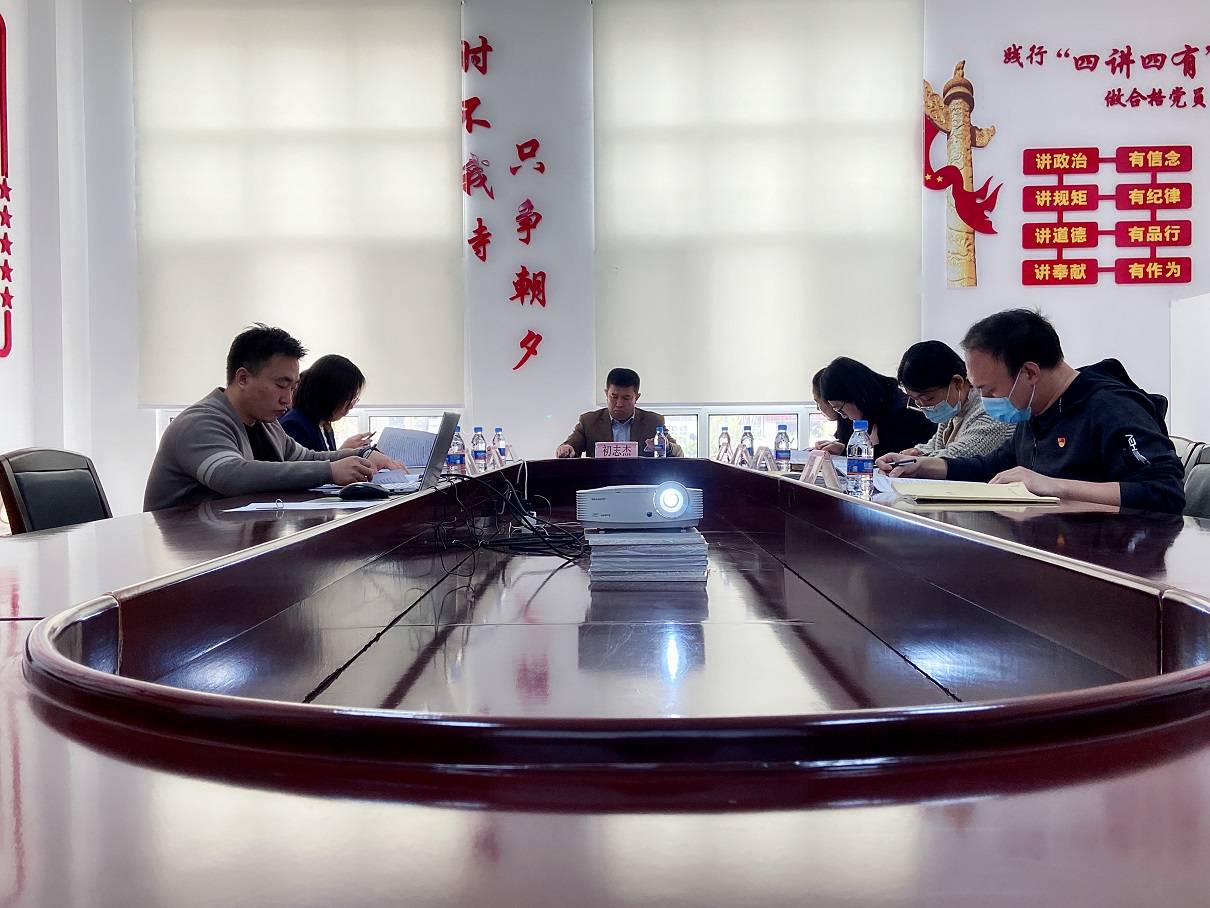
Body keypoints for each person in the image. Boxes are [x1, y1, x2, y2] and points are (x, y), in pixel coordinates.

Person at [881, 309, 1185, 514]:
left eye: (989, 390)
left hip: (1113, 563)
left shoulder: (1111, 408)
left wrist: (1053, 486)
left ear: (1029, 373)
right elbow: (991, 465)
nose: (985, 399)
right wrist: (921, 466)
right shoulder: (1035, 410)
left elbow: (1164, 493)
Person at [144, 325, 401, 511]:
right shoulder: (199, 423)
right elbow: (234, 477)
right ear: (243, 378)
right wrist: (330, 471)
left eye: (292, 387)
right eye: (281, 385)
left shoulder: (266, 425)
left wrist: (363, 455)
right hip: (188, 554)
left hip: (235, 544)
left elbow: (306, 458)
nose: (288, 400)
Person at [875, 340, 1013, 466]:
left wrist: (911, 461)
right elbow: (934, 446)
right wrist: (916, 452)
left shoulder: (991, 411)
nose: (923, 406)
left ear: (957, 382)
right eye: (915, 399)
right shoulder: (955, 408)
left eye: (928, 398)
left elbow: (958, 457)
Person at [819, 357, 933, 459]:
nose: (843, 416)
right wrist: (843, 450)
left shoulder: (904, 413)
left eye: (840, 409)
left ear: (856, 396)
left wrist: (875, 448)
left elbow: (899, 463)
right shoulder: (873, 411)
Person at [555, 367, 684, 458]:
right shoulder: (589, 421)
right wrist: (566, 449)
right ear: (606, 394)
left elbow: (678, 453)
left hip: (640, 485)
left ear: (636, 397)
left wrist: (667, 447)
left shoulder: (653, 422)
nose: (619, 403)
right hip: (600, 486)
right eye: (614, 397)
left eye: (626, 398)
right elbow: (570, 446)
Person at [280, 354, 379, 454]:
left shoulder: (324, 425)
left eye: (354, 399)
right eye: (348, 399)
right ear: (330, 396)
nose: (351, 406)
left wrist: (343, 452)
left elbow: (324, 460)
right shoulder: (294, 426)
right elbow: (309, 463)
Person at [811, 367, 852, 455]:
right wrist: (841, 449)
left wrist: (844, 450)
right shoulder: (844, 426)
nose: (817, 408)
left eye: (817, 402)